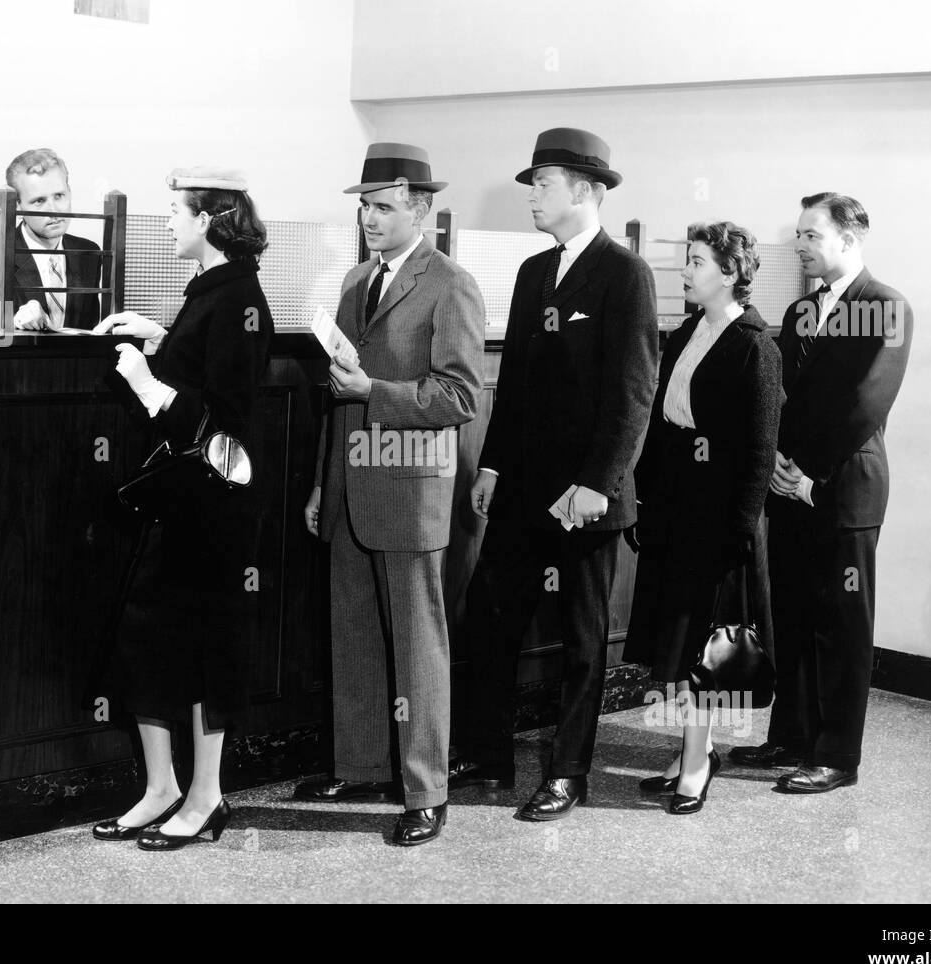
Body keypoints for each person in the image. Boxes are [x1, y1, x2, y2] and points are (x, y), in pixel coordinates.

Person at [453, 127, 659, 821]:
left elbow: (633, 392)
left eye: (543, 183)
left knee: (582, 637)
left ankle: (569, 771)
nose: (533, 196)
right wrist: (493, 465)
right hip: (523, 490)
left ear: (587, 190)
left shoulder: (625, 273)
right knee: (489, 617)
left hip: (588, 498)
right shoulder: (533, 273)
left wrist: (599, 483)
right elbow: (514, 385)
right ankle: (486, 755)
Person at [294, 142, 484, 846]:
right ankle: (363, 764)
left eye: (383, 206)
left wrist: (376, 391)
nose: (369, 218)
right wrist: (322, 480)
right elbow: (335, 393)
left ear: (422, 209)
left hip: (409, 488)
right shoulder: (354, 284)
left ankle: (425, 790)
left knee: (417, 646)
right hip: (350, 483)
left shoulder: (450, 285)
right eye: (364, 207)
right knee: (353, 632)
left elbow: (461, 393)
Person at [90, 166, 274, 849]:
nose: (167, 221)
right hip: (185, 500)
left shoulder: (240, 299)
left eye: (175, 211)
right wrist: (163, 341)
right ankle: (162, 787)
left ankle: (206, 795)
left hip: (218, 504)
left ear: (208, 221)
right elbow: (205, 366)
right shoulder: (212, 292)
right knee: (148, 634)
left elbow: (223, 421)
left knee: (207, 647)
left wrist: (148, 384)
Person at [730, 192, 913, 793]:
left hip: (843, 492)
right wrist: (781, 466)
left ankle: (837, 756)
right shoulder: (802, 310)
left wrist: (812, 478)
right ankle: (790, 738)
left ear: (849, 237)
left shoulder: (887, 306)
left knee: (842, 624)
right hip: (790, 486)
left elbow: (865, 404)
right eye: (800, 235)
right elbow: (782, 395)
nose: (801, 246)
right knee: (794, 616)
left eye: (811, 235)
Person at [624, 222, 782, 814]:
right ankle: (694, 751)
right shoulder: (688, 330)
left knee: (703, 652)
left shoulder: (754, 346)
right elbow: (662, 425)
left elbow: (761, 451)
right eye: (687, 261)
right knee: (679, 644)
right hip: (674, 505)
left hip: (717, 517)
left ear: (731, 274)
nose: (685, 272)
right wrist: (644, 498)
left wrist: (739, 531)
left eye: (695, 262)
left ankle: (695, 765)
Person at [5, 148, 103, 331]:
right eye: (39, 201)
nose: (54, 210)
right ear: (17, 206)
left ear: (70, 192)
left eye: (59, 196)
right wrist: (14, 322)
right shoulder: (0, 255)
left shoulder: (89, 253)